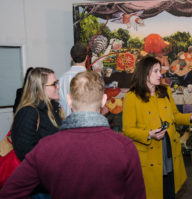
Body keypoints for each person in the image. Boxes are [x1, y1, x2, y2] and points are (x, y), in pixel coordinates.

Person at [0, 71, 146, 199]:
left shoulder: (47, 147)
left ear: (69, 100)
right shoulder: (125, 147)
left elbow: (9, 192)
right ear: (103, 101)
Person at [122, 56, 192, 199]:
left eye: (160, 71)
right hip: (150, 152)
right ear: (144, 73)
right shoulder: (132, 97)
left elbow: (175, 116)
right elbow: (127, 129)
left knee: (169, 188)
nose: (160, 75)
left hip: (169, 149)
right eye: (155, 71)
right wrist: (149, 134)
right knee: (152, 191)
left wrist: (191, 117)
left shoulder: (165, 91)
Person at [11, 67, 64, 198]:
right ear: (40, 88)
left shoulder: (53, 108)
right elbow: (25, 153)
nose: (58, 87)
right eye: (54, 84)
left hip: (53, 181)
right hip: (40, 186)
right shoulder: (28, 113)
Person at [59, 43, 87, 116]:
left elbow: (61, 104)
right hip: (87, 123)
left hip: (68, 122)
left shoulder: (62, 79)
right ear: (87, 57)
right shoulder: (92, 79)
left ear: (71, 57)